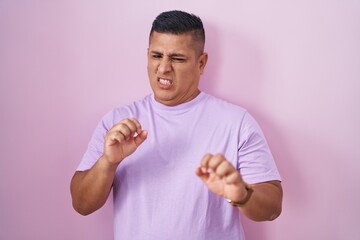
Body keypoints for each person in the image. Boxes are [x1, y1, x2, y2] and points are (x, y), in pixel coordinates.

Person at [70, 10, 283, 240]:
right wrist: (108, 162)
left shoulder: (236, 122)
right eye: (156, 56)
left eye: (177, 58)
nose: (163, 68)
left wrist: (242, 193)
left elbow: (272, 207)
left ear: (201, 63)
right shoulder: (117, 123)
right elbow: (82, 204)